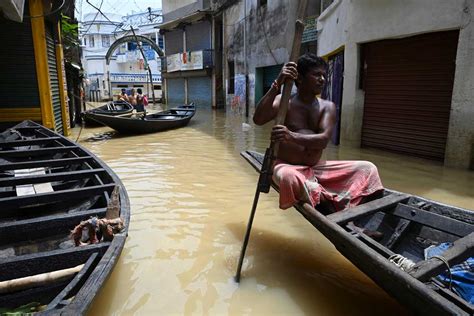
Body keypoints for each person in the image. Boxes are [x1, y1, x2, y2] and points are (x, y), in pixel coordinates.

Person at [253, 53, 384, 214]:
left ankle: (348, 209)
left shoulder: (327, 107)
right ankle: (329, 201)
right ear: (299, 79)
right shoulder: (283, 101)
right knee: (288, 178)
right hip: (286, 166)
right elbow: (258, 119)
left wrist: (290, 136)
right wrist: (277, 83)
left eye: (324, 75)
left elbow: (322, 140)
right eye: (316, 75)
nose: (322, 79)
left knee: (367, 168)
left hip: (316, 167)